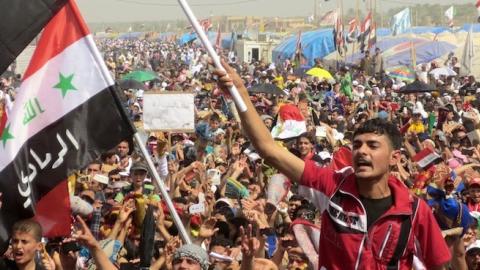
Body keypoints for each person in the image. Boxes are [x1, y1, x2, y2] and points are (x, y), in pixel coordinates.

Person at [213, 59, 451, 269]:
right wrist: (241, 91)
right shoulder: (333, 186)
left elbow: (436, 264)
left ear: (395, 158)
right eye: (357, 145)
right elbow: (269, 149)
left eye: (373, 146)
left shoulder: (415, 212)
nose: (361, 152)